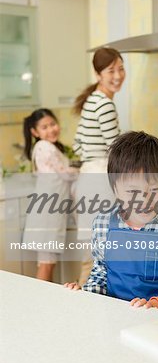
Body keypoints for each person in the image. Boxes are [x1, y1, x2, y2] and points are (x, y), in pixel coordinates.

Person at [65, 131, 158, 312]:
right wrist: (86, 294)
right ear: (115, 189)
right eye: (131, 192)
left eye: (153, 190)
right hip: (113, 322)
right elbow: (101, 275)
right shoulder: (103, 225)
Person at [73, 47, 126, 286]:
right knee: (100, 259)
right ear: (98, 74)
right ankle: (86, 315)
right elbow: (116, 149)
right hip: (100, 184)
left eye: (121, 68)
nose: (118, 75)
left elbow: (77, 145)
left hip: (87, 181)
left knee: (93, 257)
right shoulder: (103, 104)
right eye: (111, 70)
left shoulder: (91, 100)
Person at [23, 108, 78, 282]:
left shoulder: (47, 147)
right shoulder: (44, 146)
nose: (51, 129)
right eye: (44, 127)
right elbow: (65, 174)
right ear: (34, 132)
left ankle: (43, 304)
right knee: (47, 263)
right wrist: (84, 170)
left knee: (47, 262)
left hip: (49, 212)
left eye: (53, 124)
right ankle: (40, 305)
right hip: (47, 215)